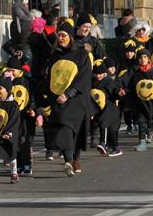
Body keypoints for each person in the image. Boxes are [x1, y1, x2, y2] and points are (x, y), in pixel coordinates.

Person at [41, 21, 92, 176]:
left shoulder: (81, 54)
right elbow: (51, 77)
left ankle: (75, 157)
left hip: (76, 98)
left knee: (75, 130)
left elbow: (84, 78)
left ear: (70, 37)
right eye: (59, 35)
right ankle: (68, 160)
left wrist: (69, 93)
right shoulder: (55, 55)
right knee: (64, 127)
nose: (61, 38)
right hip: (59, 99)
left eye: (63, 35)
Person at [127, 49, 153, 150]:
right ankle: (142, 142)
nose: (143, 59)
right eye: (140, 58)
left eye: (145, 57)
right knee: (141, 121)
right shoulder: (136, 73)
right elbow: (132, 88)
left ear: (148, 58)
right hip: (141, 103)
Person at [90, 61, 122, 157]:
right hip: (99, 109)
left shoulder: (109, 81)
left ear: (105, 73)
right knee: (111, 130)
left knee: (104, 124)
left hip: (110, 108)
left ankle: (102, 143)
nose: (98, 76)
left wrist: (119, 94)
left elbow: (115, 92)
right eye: (96, 74)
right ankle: (116, 148)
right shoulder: (93, 82)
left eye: (100, 74)